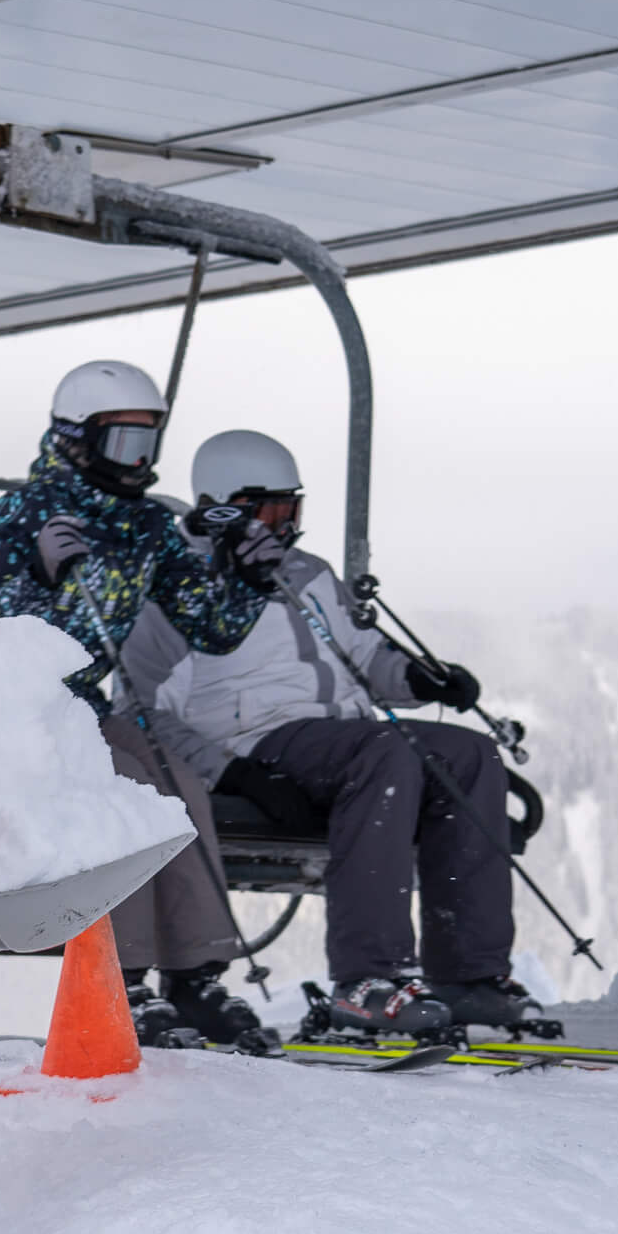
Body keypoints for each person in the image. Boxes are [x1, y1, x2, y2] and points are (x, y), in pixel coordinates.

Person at [123, 429, 542, 1035]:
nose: (283, 528)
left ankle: (469, 973)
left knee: (471, 755)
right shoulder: (174, 585)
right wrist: (232, 773)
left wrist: (422, 681)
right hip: (256, 743)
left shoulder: (308, 573)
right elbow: (142, 712)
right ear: (222, 508)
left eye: (291, 511)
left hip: (349, 738)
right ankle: (368, 976)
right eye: (267, 512)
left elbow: (366, 657)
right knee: (388, 755)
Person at [0, 360, 291, 1050]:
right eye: (123, 445)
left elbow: (210, 625)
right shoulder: (25, 513)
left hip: (83, 710)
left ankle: (196, 975)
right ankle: (124, 978)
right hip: (17, 709)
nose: (137, 463)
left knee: (179, 787)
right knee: (125, 790)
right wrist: (40, 579)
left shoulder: (145, 525)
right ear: (76, 438)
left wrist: (246, 577)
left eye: (147, 445)